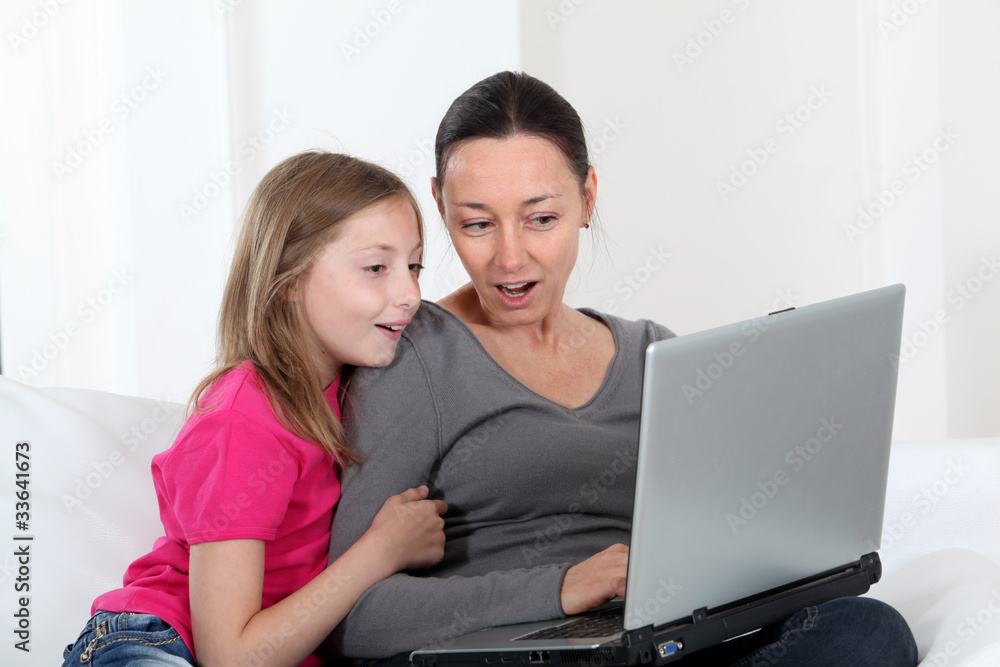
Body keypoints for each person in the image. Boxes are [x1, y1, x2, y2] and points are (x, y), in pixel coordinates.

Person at [325, 72, 918, 666]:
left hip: (658, 643)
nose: (510, 258)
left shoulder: (652, 354)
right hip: (518, 652)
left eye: (541, 219)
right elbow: (353, 616)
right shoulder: (412, 356)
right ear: (440, 206)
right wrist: (559, 588)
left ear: (586, 198)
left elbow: (725, 534)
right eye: (477, 223)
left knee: (867, 630)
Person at [59, 151, 448, 667]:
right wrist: (379, 553)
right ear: (289, 280)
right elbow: (230, 657)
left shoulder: (360, 385)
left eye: (414, 266)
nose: (410, 293)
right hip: (156, 641)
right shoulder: (244, 420)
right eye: (376, 267)